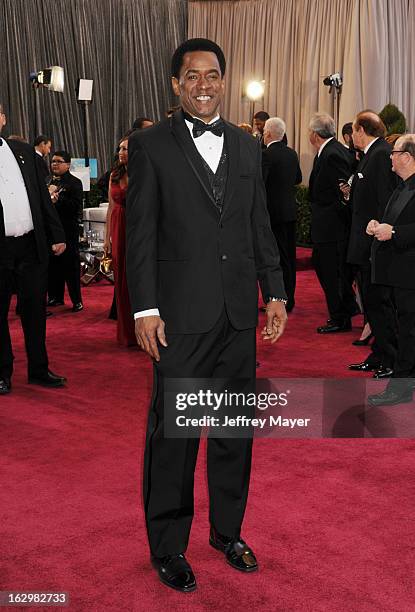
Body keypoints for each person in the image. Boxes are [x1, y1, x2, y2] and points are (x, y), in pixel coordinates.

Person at [126, 38, 287, 593]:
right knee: (176, 435)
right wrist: (144, 308)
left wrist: (276, 292)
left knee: (233, 434)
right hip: (180, 316)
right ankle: (168, 545)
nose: (203, 84)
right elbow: (140, 235)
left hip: (238, 315)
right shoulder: (149, 145)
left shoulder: (247, 146)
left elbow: (259, 225)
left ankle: (227, 531)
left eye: (212, 75)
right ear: (176, 83)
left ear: (224, 80)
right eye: (191, 76)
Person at [0, 102, 66, 394]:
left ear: (2, 118)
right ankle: (3, 372)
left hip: (31, 245)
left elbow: (41, 197)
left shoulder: (25, 152)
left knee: (35, 311)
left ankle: (39, 369)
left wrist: (57, 234)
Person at [346, 111, 398, 378]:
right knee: (372, 303)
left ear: (361, 130)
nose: (352, 135)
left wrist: (374, 242)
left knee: (379, 304)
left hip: (372, 244)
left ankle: (389, 358)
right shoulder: (373, 154)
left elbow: (384, 201)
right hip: (365, 242)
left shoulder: (379, 154)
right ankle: (379, 354)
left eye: (354, 129)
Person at [367, 134, 415, 406]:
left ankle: (400, 387)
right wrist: (378, 224)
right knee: (406, 328)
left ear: (407, 157)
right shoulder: (401, 186)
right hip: (399, 271)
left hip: (410, 272)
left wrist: (394, 231)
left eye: (395, 152)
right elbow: (393, 219)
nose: (390, 157)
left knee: (408, 330)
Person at [308, 113, 356, 333]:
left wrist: (338, 222)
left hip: (332, 227)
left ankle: (341, 317)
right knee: (326, 268)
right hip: (328, 226)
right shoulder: (329, 150)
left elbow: (343, 193)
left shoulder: (332, 154)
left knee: (332, 272)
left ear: (315, 134)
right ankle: (340, 312)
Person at [262, 116, 302, 311]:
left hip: (271, 215)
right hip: (289, 212)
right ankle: (290, 299)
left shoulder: (266, 156)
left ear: (268, 134)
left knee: (273, 259)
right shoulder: (291, 153)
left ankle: (277, 299)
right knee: (289, 259)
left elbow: (260, 184)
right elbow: (298, 178)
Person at [104, 137, 136, 346]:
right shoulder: (114, 175)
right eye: (120, 149)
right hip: (118, 226)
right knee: (120, 282)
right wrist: (107, 237)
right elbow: (110, 206)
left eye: (125, 148)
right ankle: (126, 333)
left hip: (136, 227)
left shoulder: (143, 172)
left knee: (134, 280)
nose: (121, 152)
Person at [47, 150, 84, 312]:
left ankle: (77, 300)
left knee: (71, 266)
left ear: (68, 164)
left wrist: (58, 199)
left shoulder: (75, 182)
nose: (54, 164)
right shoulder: (46, 180)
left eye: (59, 161)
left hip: (68, 229)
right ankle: (55, 297)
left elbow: (76, 207)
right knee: (52, 265)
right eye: (53, 161)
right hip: (51, 230)